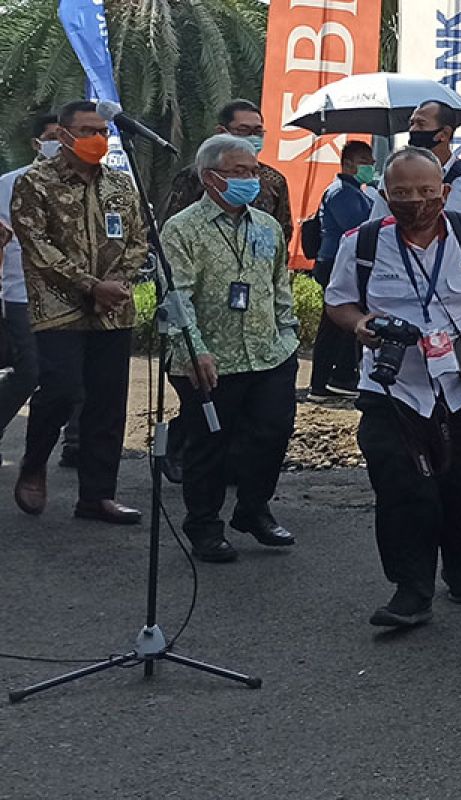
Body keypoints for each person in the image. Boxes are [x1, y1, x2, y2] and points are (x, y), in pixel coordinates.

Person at [325, 147, 461, 626]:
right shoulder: (364, 243)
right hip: (392, 386)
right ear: (385, 195)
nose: (415, 201)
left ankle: (460, 566)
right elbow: (339, 302)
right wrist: (359, 325)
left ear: (445, 193)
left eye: (426, 192)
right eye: (402, 193)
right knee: (400, 488)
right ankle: (411, 588)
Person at [160, 135, 300, 563]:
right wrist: (195, 350)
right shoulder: (182, 228)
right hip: (209, 358)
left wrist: (288, 334)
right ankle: (204, 525)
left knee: (273, 433)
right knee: (210, 445)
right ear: (210, 177)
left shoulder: (266, 225)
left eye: (253, 171)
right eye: (239, 172)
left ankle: (253, 509)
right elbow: (177, 296)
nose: (250, 179)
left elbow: (280, 285)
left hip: (269, 352)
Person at [9, 100, 147, 523]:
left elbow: (138, 240)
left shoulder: (121, 185)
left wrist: (118, 284)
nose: (97, 140)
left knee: (107, 402)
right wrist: (90, 286)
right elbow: (37, 247)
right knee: (63, 390)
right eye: (88, 131)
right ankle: (33, 464)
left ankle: (97, 496)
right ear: (64, 136)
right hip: (58, 307)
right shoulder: (36, 182)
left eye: (103, 132)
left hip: (112, 308)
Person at [0, 113, 62, 466]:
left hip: (73, 293)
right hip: (22, 290)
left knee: (77, 371)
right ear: (37, 142)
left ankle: (77, 444)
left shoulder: (87, 183)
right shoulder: (10, 183)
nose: (59, 142)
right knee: (30, 371)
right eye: (52, 136)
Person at [369, 101, 461, 234]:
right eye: (411, 123)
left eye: (421, 124)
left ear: (444, 134)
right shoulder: (395, 177)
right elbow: (376, 228)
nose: (413, 130)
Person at [163, 99, 293, 240]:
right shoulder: (195, 176)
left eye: (258, 132)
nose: (252, 137)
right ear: (221, 131)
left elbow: (282, 233)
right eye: (243, 130)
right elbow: (174, 228)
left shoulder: (274, 180)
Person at [309, 140, 375, 399]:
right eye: (365, 162)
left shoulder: (357, 191)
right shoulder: (341, 193)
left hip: (345, 264)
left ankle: (343, 377)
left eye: (372, 162)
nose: (370, 166)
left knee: (345, 324)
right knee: (334, 322)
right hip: (334, 264)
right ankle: (321, 383)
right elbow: (360, 228)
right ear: (348, 164)